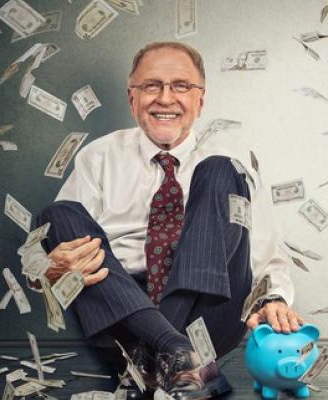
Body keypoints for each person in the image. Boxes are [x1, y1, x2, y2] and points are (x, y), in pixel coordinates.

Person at [22, 41, 303, 400]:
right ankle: (177, 355)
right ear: (132, 98)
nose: (165, 98)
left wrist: (273, 298)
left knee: (220, 168)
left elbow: (266, 250)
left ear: (200, 101)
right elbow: (54, 249)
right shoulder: (99, 156)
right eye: (151, 86)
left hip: (210, 313)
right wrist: (48, 269)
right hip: (123, 312)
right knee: (57, 215)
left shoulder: (233, 161)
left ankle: (153, 359)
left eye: (181, 86)